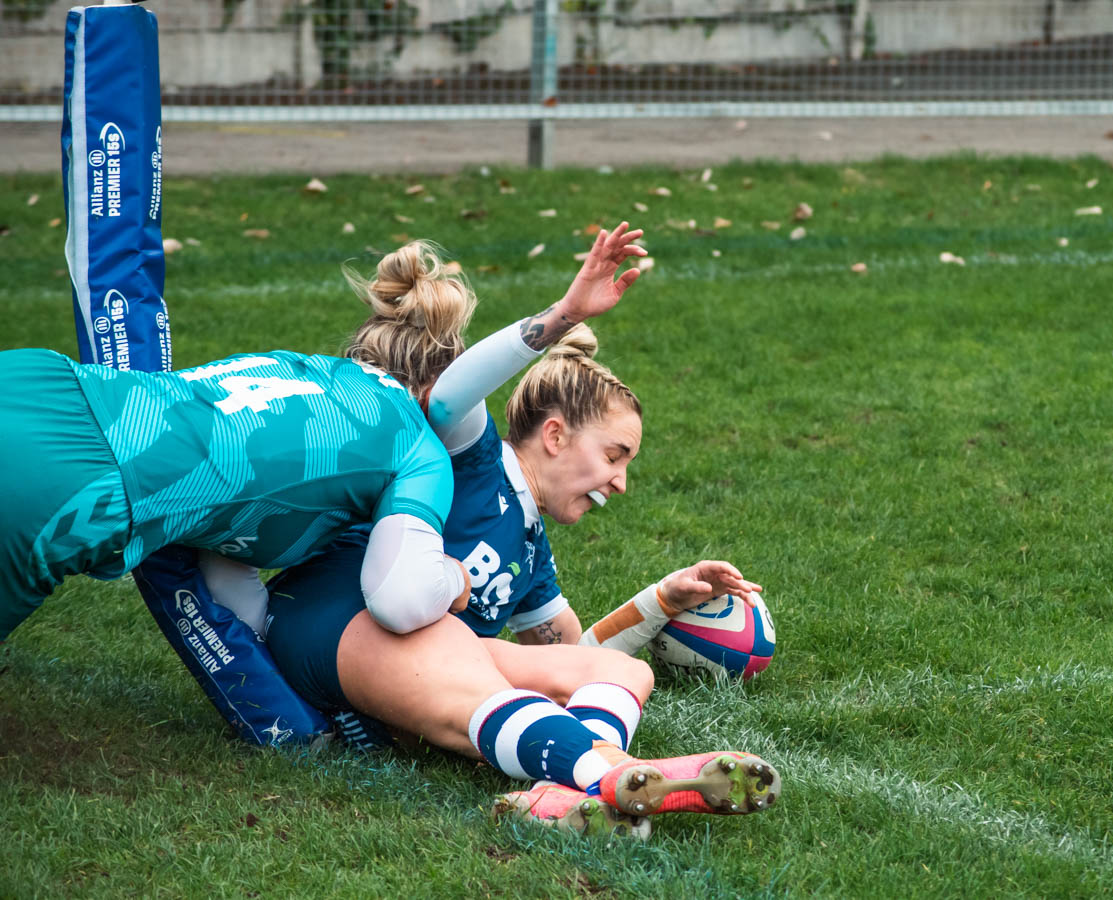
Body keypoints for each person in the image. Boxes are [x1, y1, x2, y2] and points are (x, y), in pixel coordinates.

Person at [263, 300, 780, 840]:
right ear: (555, 436)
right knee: (471, 662)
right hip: (335, 617)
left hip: (421, 659)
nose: (622, 482)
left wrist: (663, 601)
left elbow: (576, 659)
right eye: (615, 456)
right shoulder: (475, 460)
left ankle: (558, 799)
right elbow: (450, 391)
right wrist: (563, 314)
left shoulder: (533, 552)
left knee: (624, 672)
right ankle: (614, 774)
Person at [0, 237, 492, 643]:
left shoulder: (305, 367)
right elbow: (402, 600)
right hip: (78, 484)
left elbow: (229, 559)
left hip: (38, 379)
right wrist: (453, 578)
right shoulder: (419, 449)